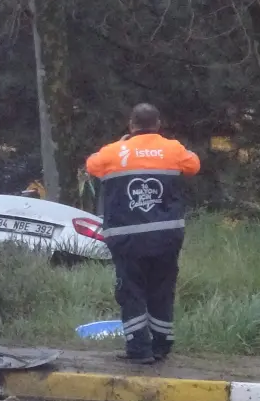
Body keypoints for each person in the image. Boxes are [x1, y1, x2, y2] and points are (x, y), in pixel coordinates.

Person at [85, 103, 200, 364]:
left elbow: (91, 165)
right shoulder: (173, 149)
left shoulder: (113, 152)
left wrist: (122, 144)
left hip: (126, 238)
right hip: (166, 237)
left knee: (131, 291)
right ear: (158, 124)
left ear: (131, 125)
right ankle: (161, 346)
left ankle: (139, 349)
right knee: (162, 289)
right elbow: (194, 165)